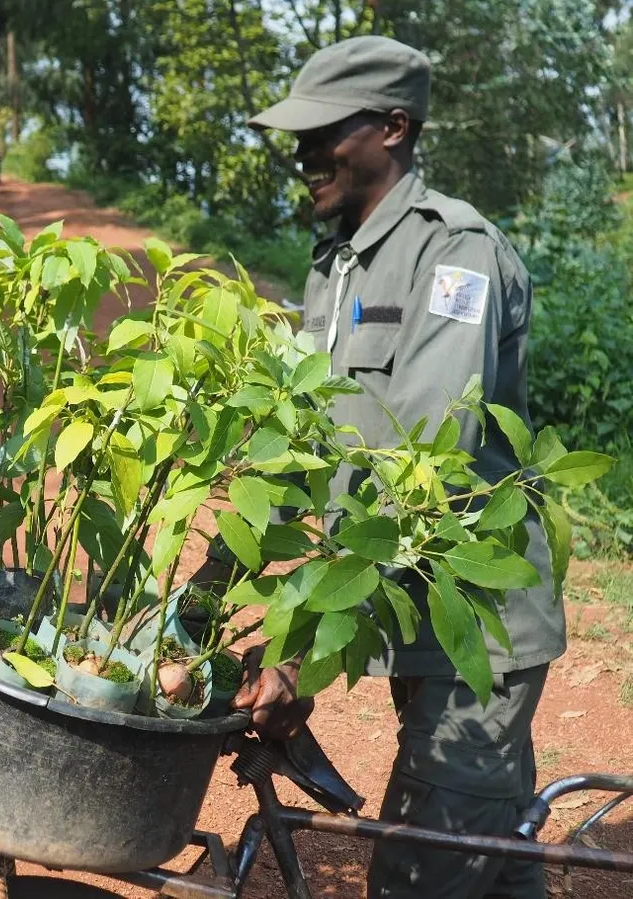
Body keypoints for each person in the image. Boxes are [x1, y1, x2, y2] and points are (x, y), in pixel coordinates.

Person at [196, 36, 560, 899]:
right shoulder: (336, 264)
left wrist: (298, 658)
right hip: (410, 617)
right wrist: (200, 593)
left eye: (322, 131)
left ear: (393, 128)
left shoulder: (453, 254)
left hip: (476, 622)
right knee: (490, 858)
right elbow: (297, 450)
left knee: (418, 874)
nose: (300, 152)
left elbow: (416, 473)